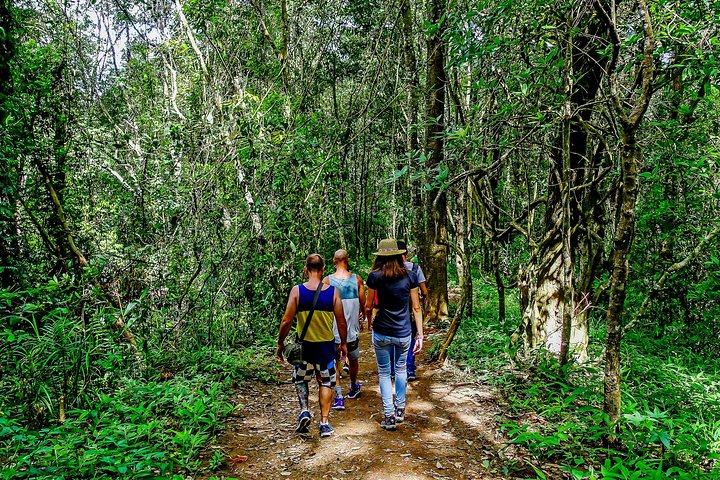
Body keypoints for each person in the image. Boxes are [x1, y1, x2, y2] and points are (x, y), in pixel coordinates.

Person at [277, 254, 347, 438]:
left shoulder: (297, 291)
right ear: (323, 269)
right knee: (326, 382)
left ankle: (304, 410)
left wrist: (280, 343)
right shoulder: (333, 292)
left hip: (304, 348)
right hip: (326, 348)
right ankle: (324, 422)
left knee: (301, 379)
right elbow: (341, 322)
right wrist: (343, 344)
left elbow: (286, 321)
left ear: (306, 269)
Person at [364, 239, 423, 431]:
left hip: (381, 330)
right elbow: (416, 307)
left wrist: (368, 322)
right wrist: (420, 335)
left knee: (384, 372)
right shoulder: (411, 276)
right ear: (399, 255)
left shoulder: (374, 277)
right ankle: (400, 410)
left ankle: (388, 416)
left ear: (380, 256)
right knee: (400, 369)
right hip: (404, 332)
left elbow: (369, 305)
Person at [323, 249, 366, 410]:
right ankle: (354, 386)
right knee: (353, 359)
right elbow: (363, 303)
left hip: (333, 330)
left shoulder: (327, 281)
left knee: (335, 361)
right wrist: (363, 317)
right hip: (351, 330)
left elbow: (322, 305)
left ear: (334, 261)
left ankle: (339, 396)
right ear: (347, 260)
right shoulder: (357, 279)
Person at [388, 241, 428, 382]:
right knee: (410, 339)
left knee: (392, 341)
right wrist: (422, 300)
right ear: (406, 253)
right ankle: (409, 369)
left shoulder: (388, 270)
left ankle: (393, 370)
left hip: (392, 311)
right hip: (410, 311)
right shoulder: (415, 268)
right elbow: (424, 290)